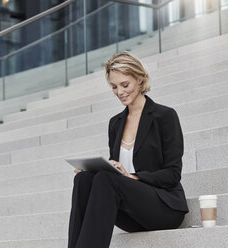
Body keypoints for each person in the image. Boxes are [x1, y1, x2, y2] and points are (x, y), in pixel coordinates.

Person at [68, 51, 189, 248]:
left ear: (140, 79)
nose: (120, 92)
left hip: (164, 207)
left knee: (106, 178)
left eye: (125, 85)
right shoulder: (115, 123)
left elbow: (173, 174)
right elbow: (113, 174)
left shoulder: (164, 116)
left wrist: (133, 177)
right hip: (132, 212)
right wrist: (97, 168)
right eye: (114, 87)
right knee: (84, 179)